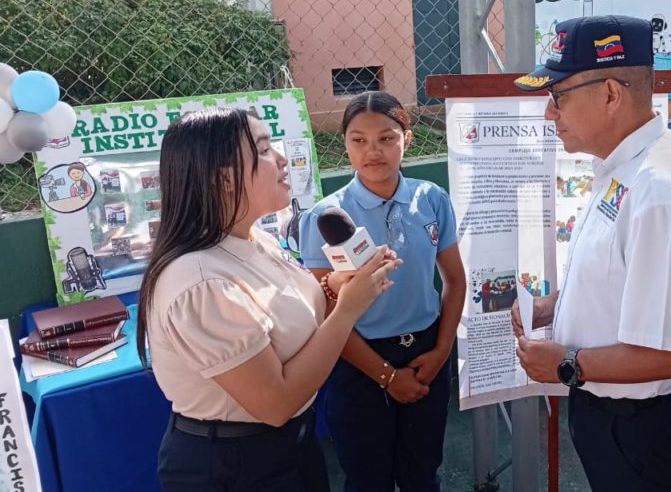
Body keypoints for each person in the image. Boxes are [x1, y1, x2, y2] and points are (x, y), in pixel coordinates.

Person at [511, 15, 671, 492]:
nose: (550, 114)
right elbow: (628, 281)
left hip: (640, 427)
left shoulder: (661, 190)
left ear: (611, 94)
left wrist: (567, 363)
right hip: (616, 418)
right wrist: (556, 308)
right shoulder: (626, 168)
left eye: (558, 96)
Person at [137, 108, 399, 491]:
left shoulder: (253, 239)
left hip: (290, 447)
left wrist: (336, 288)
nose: (280, 159)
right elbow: (276, 404)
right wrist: (348, 309)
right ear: (223, 177)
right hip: (236, 464)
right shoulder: (200, 282)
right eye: (262, 149)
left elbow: (290, 318)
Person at [298, 91, 465, 492]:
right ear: (345, 144)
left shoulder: (432, 199)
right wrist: (387, 376)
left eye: (386, 138)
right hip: (358, 363)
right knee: (367, 478)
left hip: (427, 353)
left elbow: (455, 281)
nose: (373, 151)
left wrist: (441, 352)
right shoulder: (325, 217)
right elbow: (325, 311)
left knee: (422, 473)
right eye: (358, 140)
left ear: (407, 139)